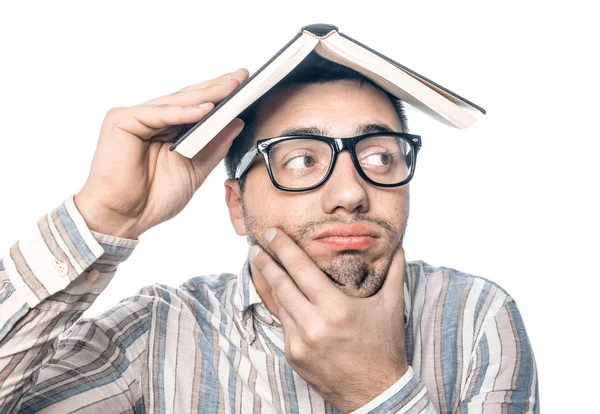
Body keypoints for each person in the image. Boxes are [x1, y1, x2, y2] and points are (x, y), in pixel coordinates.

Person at [0, 53, 539, 413]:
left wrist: (374, 388)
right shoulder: (155, 333)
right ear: (236, 205)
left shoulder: (476, 316)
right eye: (302, 160)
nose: (349, 193)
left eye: (378, 156)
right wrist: (103, 218)